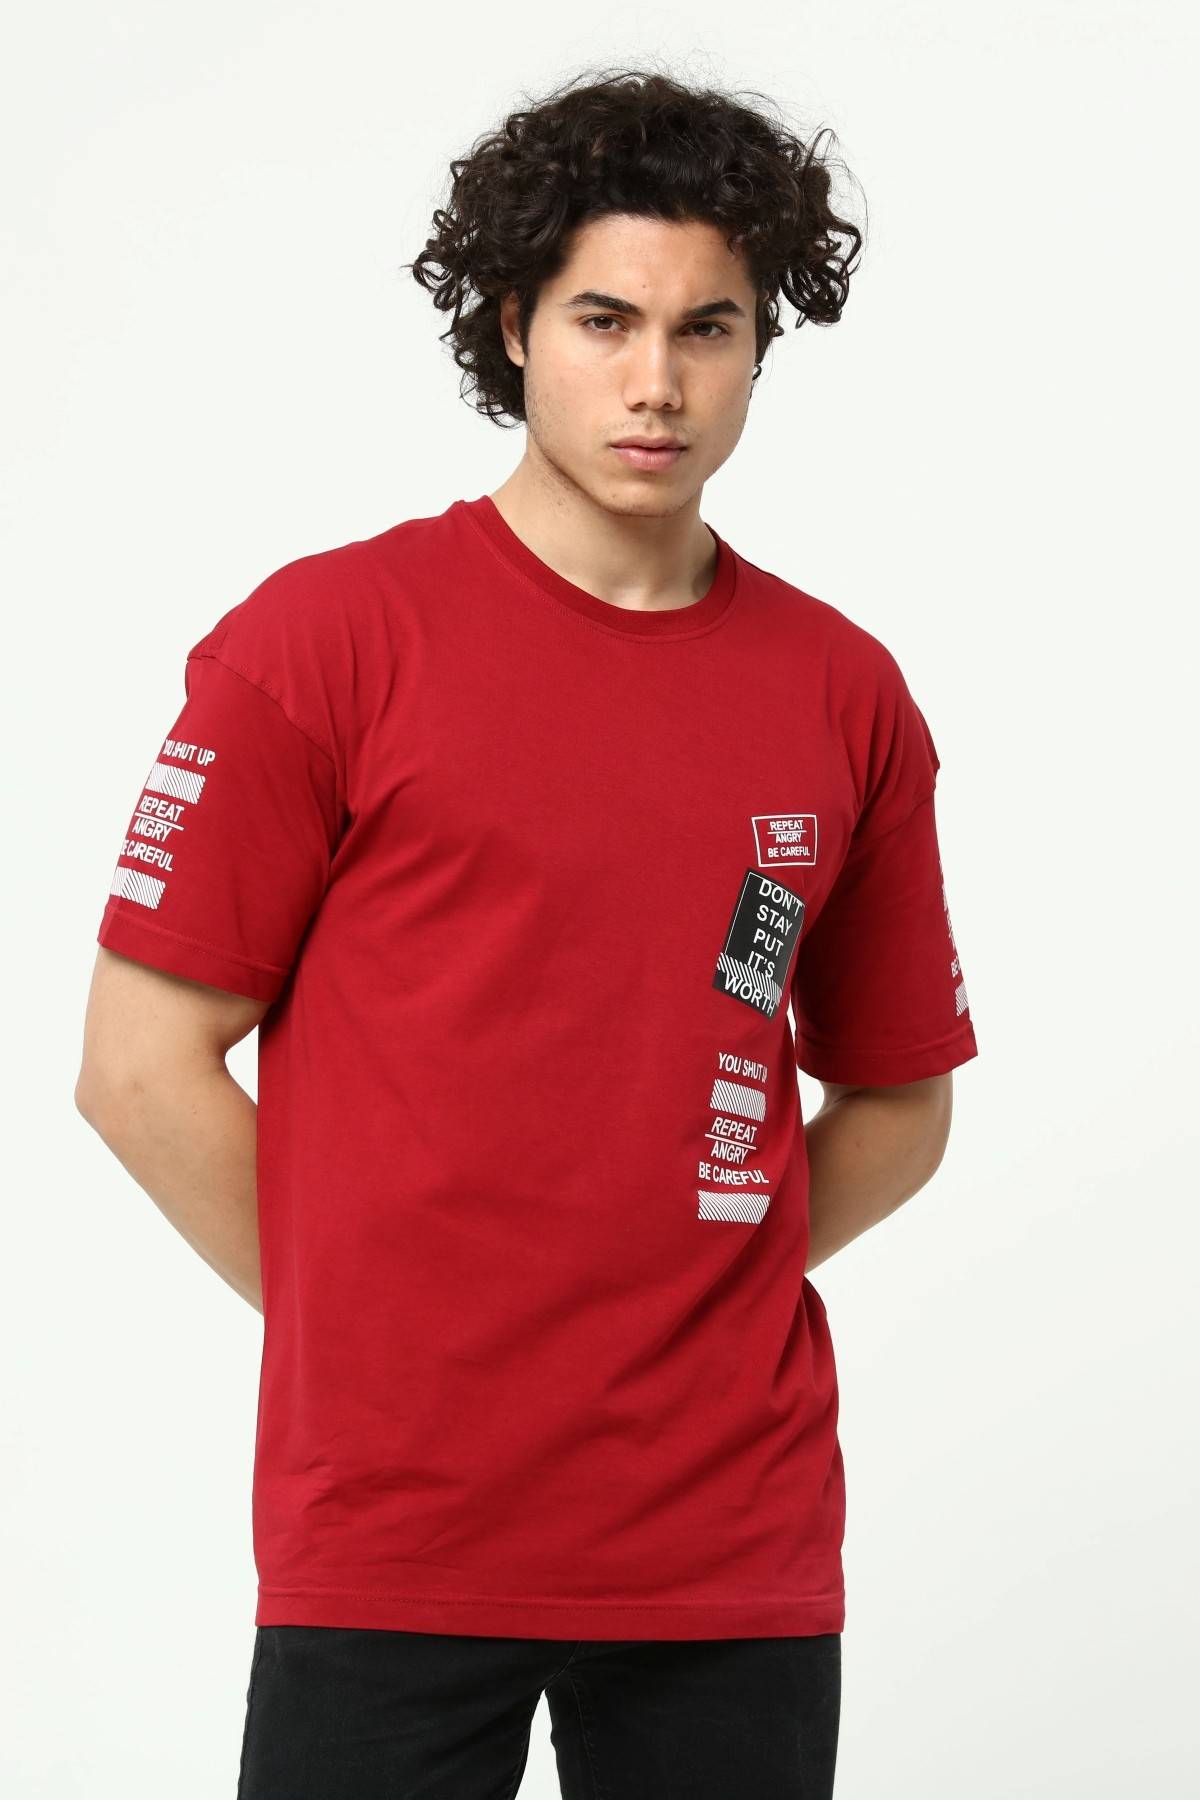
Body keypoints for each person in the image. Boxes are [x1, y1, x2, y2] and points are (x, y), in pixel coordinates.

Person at [75, 65, 978, 1800]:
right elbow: (137, 1066)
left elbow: (899, 1100)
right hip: (396, 1534)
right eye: (605, 320)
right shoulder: (327, 643)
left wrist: (690, 1294)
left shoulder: (842, 691)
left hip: (727, 1542)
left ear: (762, 346)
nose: (657, 383)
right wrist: (379, 1338)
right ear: (513, 325)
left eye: (709, 327)